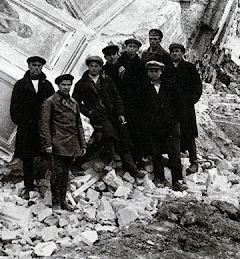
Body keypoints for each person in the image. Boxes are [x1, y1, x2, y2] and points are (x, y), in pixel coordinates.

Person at [73, 55, 145, 180]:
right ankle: (111, 163)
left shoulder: (107, 80)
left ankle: (132, 168)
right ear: (88, 67)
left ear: (101, 67)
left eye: (96, 66)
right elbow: (76, 102)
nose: (94, 69)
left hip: (111, 114)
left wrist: (121, 113)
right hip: (96, 116)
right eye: (91, 66)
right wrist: (89, 111)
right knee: (109, 133)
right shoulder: (82, 83)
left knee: (123, 136)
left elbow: (117, 98)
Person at [9, 55, 55, 199]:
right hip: (27, 127)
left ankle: (44, 186)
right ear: (29, 66)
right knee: (27, 157)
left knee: (44, 155)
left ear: (42, 68)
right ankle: (29, 186)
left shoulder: (47, 85)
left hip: (43, 127)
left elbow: (54, 105)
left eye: (39, 66)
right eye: (34, 65)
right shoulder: (21, 84)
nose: (36, 68)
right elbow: (14, 106)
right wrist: (21, 121)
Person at [39, 74, 86, 211]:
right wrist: (47, 144)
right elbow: (44, 125)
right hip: (57, 143)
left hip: (71, 144)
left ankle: (63, 200)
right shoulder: (50, 102)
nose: (66, 87)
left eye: (68, 85)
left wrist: (82, 144)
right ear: (58, 86)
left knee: (65, 173)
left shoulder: (74, 103)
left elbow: (79, 125)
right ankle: (56, 203)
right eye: (63, 85)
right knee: (56, 173)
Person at [139, 60, 186, 192]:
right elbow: (140, 108)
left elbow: (180, 105)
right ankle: (159, 178)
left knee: (174, 152)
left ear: (161, 72)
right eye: (151, 71)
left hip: (171, 125)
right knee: (156, 152)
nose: (153, 74)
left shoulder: (171, 86)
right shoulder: (143, 88)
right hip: (154, 126)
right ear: (148, 72)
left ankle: (177, 180)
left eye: (156, 71)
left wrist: (175, 120)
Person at [164, 43, 203, 174]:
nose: (175, 54)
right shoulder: (166, 68)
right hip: (171, 107)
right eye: (173, 52)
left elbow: (197, 87)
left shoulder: (189, 68)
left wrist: (191, 100)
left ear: (182, 53)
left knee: (189, 133)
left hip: (186, 106)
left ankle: (194, 161)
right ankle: (175, 160)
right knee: (174, 133)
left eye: (177, 51)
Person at [117, 38, 149, 167]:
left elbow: (142, 83)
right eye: (129, 46)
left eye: (134, 47)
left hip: (135, 101)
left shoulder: (139, 63)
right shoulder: (120, 61)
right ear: (126, 47)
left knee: (136, 128)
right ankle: (125, 158)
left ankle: (137, 156)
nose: (131, 49)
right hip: (121, 99)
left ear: (137, 49)